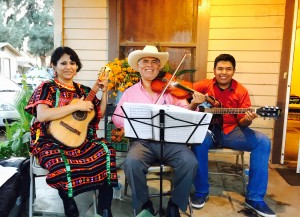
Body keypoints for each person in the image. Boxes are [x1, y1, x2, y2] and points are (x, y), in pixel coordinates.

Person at [25, 46, 118, 217]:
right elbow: (43, 115)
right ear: (54, 66)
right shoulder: (47, 87)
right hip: (50, 140)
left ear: (77, 66)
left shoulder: (83, 91)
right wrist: (75, 106)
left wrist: (104, 92)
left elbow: (99, 113)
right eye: (63, 63)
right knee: (59, 162)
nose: (69, 66)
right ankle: (69, 203)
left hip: (81, 140)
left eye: (73, 63)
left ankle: (105, 208)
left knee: (106, 151)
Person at [112, 45, 205, 217]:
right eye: (145, 61)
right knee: (132, 163)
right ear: (138, 66)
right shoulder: (129, 93)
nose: (150, 65)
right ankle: (144, 205)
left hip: (171, 142)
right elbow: (116, 118)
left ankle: (174, 205)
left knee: (190, 162)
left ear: (159, 67)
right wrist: (134, 123)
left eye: (154, 62)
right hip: (143, 142)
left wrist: (194, 104)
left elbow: (188, 114)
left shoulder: (170, 90)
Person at [191, 53, 276, 217]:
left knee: (263, 141)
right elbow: (185, 94)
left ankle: (255, 198)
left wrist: (248, 119)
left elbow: (243, 122)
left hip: (231, 131)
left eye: (228, 69)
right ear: (214, 70)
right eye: (220, 68)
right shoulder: (204, 85)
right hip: (207, 130)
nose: (224, 72)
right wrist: (194, 102)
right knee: (197, 141)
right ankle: (201, 191)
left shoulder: (241, 91)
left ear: (233, 71)